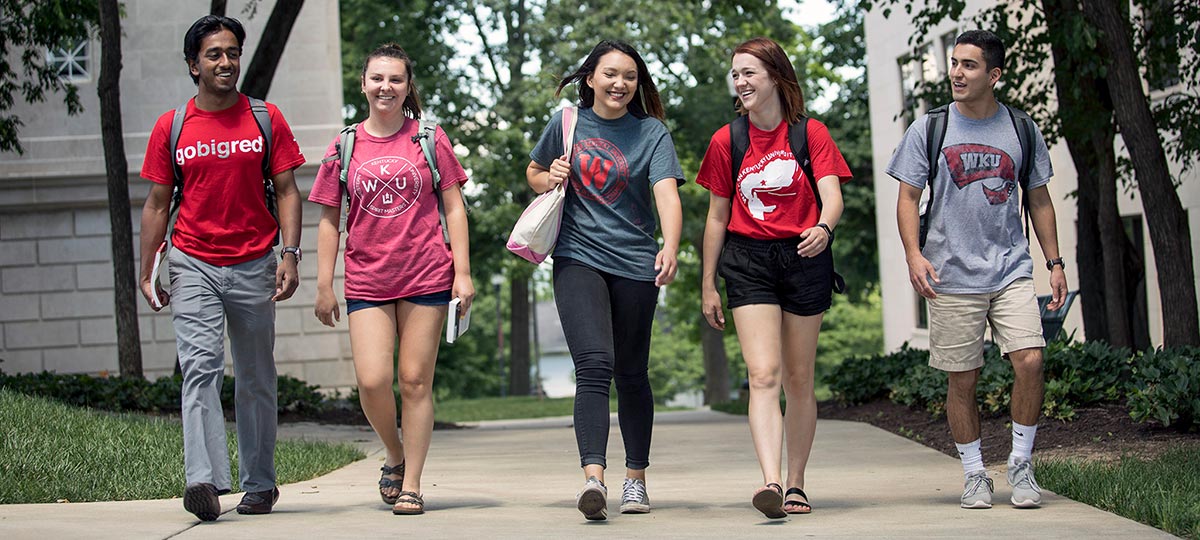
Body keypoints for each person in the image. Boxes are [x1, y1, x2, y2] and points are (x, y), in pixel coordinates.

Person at [887, 29, 1067, 509]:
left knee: (1030, 359)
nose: (956, 73)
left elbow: (1040, 198)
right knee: (962, 379)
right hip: (950, 274)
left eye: (969, 65)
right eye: (954, 63)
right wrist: (913, 254)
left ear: (994, 74)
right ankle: (974, 474)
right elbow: (907, 197)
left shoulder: (1022, 129)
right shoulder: (930, 128)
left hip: (1011, 268)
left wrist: (1054, 262)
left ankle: (1022, 466)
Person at [138, 15, 305, 521]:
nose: (226, 62)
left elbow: (288, 191)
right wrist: (147, 269)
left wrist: (290, 255)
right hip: (193, 262)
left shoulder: (264, 118)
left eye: (232, 52)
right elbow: (156, 203)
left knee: (255, 376)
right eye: (214, 54)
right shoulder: (173, 127)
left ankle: (259, 484)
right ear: (194, 65)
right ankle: (203, 480)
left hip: (255, 260)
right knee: (200, 369)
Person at [309, 43, 474, 516]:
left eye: (395, 79)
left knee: (415, 380)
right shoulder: (345, 145)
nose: (386, 87)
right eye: (377, 78)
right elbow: (327, 219)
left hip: (426, 273)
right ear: (363, 84)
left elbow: (453, 205)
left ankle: (413, 484)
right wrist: (324, 283)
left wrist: (462, 273)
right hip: (367, 279)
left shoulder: (429, 137)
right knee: (374, 380)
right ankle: (395, 453)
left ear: (407, 87)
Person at [525, 40, 683, 521]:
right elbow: (533, 173)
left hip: (635, 262)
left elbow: (667, 195)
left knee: (632, 372)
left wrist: (671, 245)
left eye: (630, 77)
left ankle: (635, 480)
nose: (620, 84)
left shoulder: (651, 132)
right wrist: (549, 175)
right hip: (578, 257)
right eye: (610, 74)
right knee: (594, 363)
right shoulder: (566, 123)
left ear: (638, 84)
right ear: (590, 77)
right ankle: (593, 479)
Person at [697, 37, 852, 519]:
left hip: (805, 256)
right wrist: (708, 283)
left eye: (749, 73)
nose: (740, 82)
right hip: (748, 260)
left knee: (799, 377)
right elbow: (717, 216)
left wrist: (824, 229)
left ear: (776, 77)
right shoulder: (728, 140)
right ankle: (770, 480)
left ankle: (797, 483)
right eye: (736, 74)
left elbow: (833, 197)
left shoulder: (811, 133)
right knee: (763, 375)